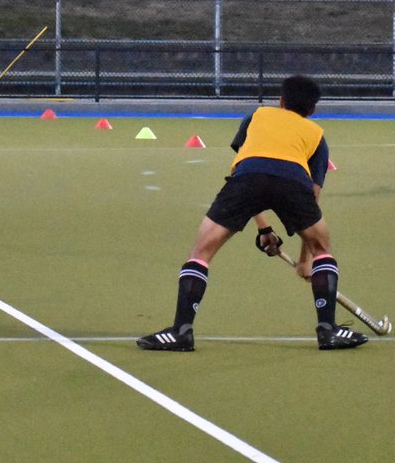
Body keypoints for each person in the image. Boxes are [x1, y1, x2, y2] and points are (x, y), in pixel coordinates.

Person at [137, 75, 368, 352]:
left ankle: (181, 331)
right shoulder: (317, 135)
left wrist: (263, 226)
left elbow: (249, 168)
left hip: (246, 180)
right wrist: (306, 260)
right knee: (323, 250)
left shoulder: (256, 117)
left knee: (201, 253)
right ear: (313, 110)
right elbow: (312, 198)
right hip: (293, 183)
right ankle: (328, 330)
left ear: (281, 101)